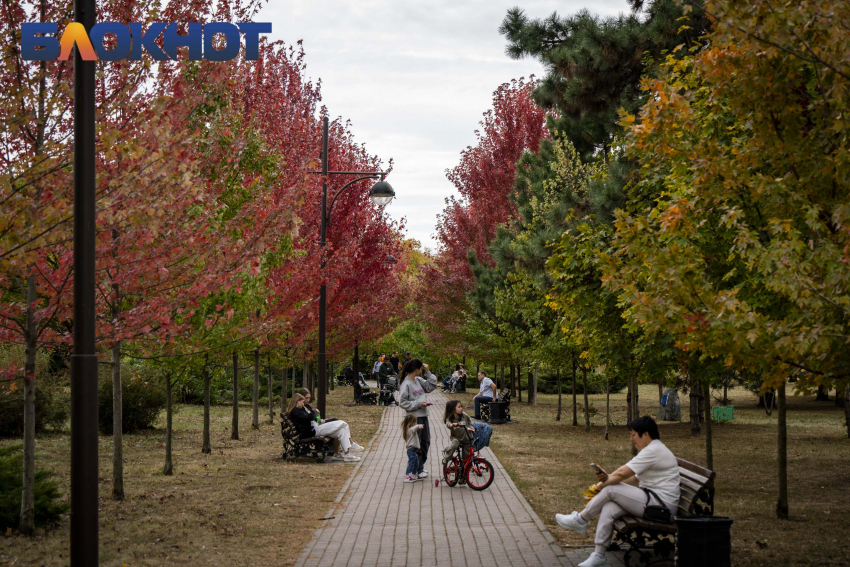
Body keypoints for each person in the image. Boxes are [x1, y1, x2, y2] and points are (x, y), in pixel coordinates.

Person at [555, 416, 680, 567]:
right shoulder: (652, 449)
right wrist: (607, 479)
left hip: (661, 508)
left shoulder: (653, 451)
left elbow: (621, 474)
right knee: (610, 507)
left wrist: (603, 485)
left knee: (611, 490)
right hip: (653, 500)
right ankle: (599, 555)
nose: (631, 439)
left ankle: (580, 520)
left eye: (633, 435)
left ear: (645, 434)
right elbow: (633, 479)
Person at [289, 391, 364, 462]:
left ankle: (347, 455)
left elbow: (310, 416)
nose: (303, 403)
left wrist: (311, 412)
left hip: (315, 428)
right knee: (343, 424)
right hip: (312, 431)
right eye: (302, 401)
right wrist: (314, 412)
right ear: (297, 401)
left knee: (341, 431)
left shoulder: (300, 409)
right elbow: (308, 417)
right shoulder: (295, 411)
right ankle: (351, 444)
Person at [397, 358, 438, 478]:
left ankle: (420, 467)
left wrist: (428, 372)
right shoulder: (406, 384)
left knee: (425, 442)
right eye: (420, 369)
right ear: (416, 370)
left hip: (423, 415)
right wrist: (418, 404)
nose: (421, 370)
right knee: (416, 444)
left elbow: (431, 386)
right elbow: (402, 403)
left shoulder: (418, 380)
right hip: (414, 418)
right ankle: (417, 469)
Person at [401, 414, 424, 482]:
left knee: (416, 462)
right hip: (411, 449)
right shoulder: (410, 430)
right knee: (411, 462)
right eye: (415, 422)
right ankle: (407, 476)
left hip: (414, 449)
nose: (416, 423)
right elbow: (414, 428)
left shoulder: (410, 429)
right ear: (411, 422)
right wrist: (418, 426)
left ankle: (414, 474)